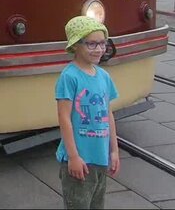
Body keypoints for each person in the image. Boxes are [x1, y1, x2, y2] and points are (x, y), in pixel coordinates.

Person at [56, 16, 120, 210]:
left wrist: (114, 150)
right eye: (92, 44)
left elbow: (108, 114)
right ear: (76, 45)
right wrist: (73, 156)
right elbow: (64, 118)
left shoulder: (103, 76)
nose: (99, 49)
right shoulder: (69, 76)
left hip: (100, 157)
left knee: (96, 205)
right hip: (79, 160)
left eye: (102, 43)